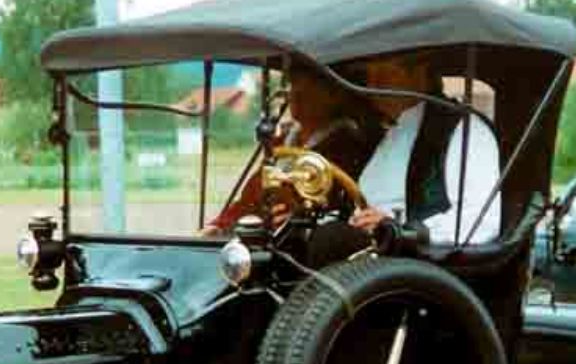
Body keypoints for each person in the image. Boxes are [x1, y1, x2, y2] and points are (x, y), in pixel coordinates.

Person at [347, 53, 501, 246]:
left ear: (419, 72)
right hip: (365, 259)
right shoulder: (385, 133)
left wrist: (399, 231)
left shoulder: (466, 130)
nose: (373, 84)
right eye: (368, 75)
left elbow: (480, 221)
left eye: (384, 72)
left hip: (414, 265)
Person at [204, 66, 380, 235]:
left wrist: (295, 222)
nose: (298, 93)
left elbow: (338, 214)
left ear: (335, 95)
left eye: (312, 85)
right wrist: (219, 226)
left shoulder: (348, 148)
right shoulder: (281, 144)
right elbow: (249, 200)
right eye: (295, 83)